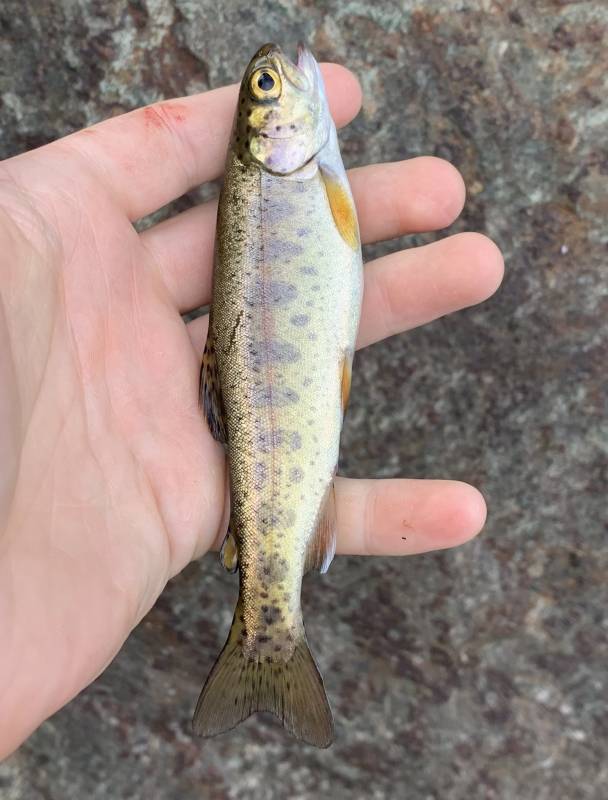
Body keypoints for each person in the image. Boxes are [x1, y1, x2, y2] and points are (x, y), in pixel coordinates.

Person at [0, 63, 503, 759]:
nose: (283, 77)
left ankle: (266, 629)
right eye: (268, 87)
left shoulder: (293, 170)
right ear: (259, 139)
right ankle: (272, 630)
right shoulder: (307, 177)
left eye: (264, 86)